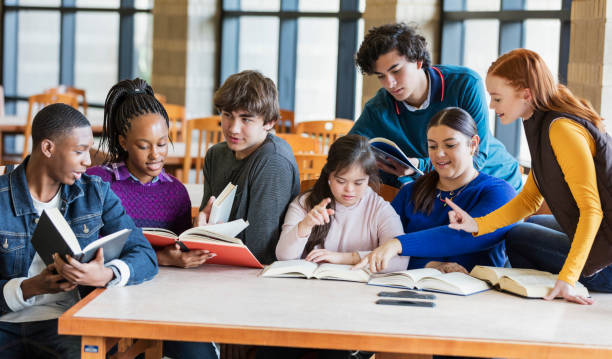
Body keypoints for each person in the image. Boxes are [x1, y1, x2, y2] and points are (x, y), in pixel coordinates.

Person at [445, 48, 612, 305]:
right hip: (604, 234)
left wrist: (568, 278)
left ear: (526, 94)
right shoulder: (540, 122)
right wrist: (477, 224)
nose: (491, 106)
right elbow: (529, 200)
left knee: (518, 236)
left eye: (497, 98)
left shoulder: (561, 129)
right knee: (534, 225)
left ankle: (558, 290)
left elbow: (592, 210)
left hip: (607, 254)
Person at [0, 104, 158, 358]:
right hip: (5, 322)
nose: (88, 160)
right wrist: (30, 287)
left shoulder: (96, 192)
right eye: (79, 151)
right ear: (48, 148)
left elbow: (144, 254)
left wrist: (105, 274)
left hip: (66, 323)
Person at [87, 79, 218, 359]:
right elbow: (89, 251)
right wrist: (159, 257)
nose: (156, 154)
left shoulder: (175, 191)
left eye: (162, 143)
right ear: (123, 142)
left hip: (164, 304)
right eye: (144, 146)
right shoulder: (97, 183)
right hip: (110, 300)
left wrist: (198, 237)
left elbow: (180, 248)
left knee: (203, 356)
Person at [350, 23, 522, 191]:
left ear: (418, 61)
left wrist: (420, 165)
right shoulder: (378, 107)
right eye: (381, 76)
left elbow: (475, 157)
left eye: (396, 71)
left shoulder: (465, 84)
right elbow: (346, 152)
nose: (390, 83)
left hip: (496, 183)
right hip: (442, 191)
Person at [355, 107, 516, 275]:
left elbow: (463, 236)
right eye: (432, 146)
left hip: (476, 295)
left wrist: (398, 245)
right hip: (406, 289)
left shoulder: (500, 193)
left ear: (473, 145)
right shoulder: (410, 192)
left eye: (450, 145)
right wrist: (430, 265)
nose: (439, 154)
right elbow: (381, 250)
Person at [197, 70, 300, 266]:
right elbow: (205, 226)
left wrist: (207, 239)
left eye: (246, 119)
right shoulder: (215, 155)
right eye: (227, 115)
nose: (233, 128)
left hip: (259, 275)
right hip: (222, 266)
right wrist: (199, 230)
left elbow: (260, 250)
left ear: (269, 122)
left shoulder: (273, 160)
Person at [276, 134, 409, 272]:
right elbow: (283, 257)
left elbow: (399, 262)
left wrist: (344, 258)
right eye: (341, 181)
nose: (349, 190)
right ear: (329, 176)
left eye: (359, 183)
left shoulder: (379, 208)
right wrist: (305, 226)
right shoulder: (306, 202)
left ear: (368, 179)